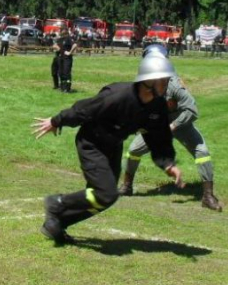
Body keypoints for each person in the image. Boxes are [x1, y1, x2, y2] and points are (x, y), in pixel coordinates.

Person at [32, 55, 178, 244]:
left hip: (113, 145)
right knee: (106, 192)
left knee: (106, 198)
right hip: (91, 143)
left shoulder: (156, 106)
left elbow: (159, 136)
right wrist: (56, 121)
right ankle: (57, 203)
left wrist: (167, 163)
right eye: (164, 80)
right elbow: (84, 109)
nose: (167, 84)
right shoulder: (117, 95)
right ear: (149, 81)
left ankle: (57, 223)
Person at [118, 45, 223, 211]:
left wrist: (173, 125)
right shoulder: (143, 83)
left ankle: (208, 196)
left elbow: (192, 109)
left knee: (202, 152)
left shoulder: (173, 83)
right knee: (133, 150)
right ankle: (127, 186)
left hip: (179, 121)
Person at [58, 25, 77, 93]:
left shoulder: (69, 38)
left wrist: (70, 52)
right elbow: (57, 46)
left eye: (61, 29)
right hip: (61, 58)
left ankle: (67, 88)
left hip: (67, 59)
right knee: (60, 73)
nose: (60, 31)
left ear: (65, 30)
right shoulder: (60, 39)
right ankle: (62, 87)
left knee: (66, 73)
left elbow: (75, 45)